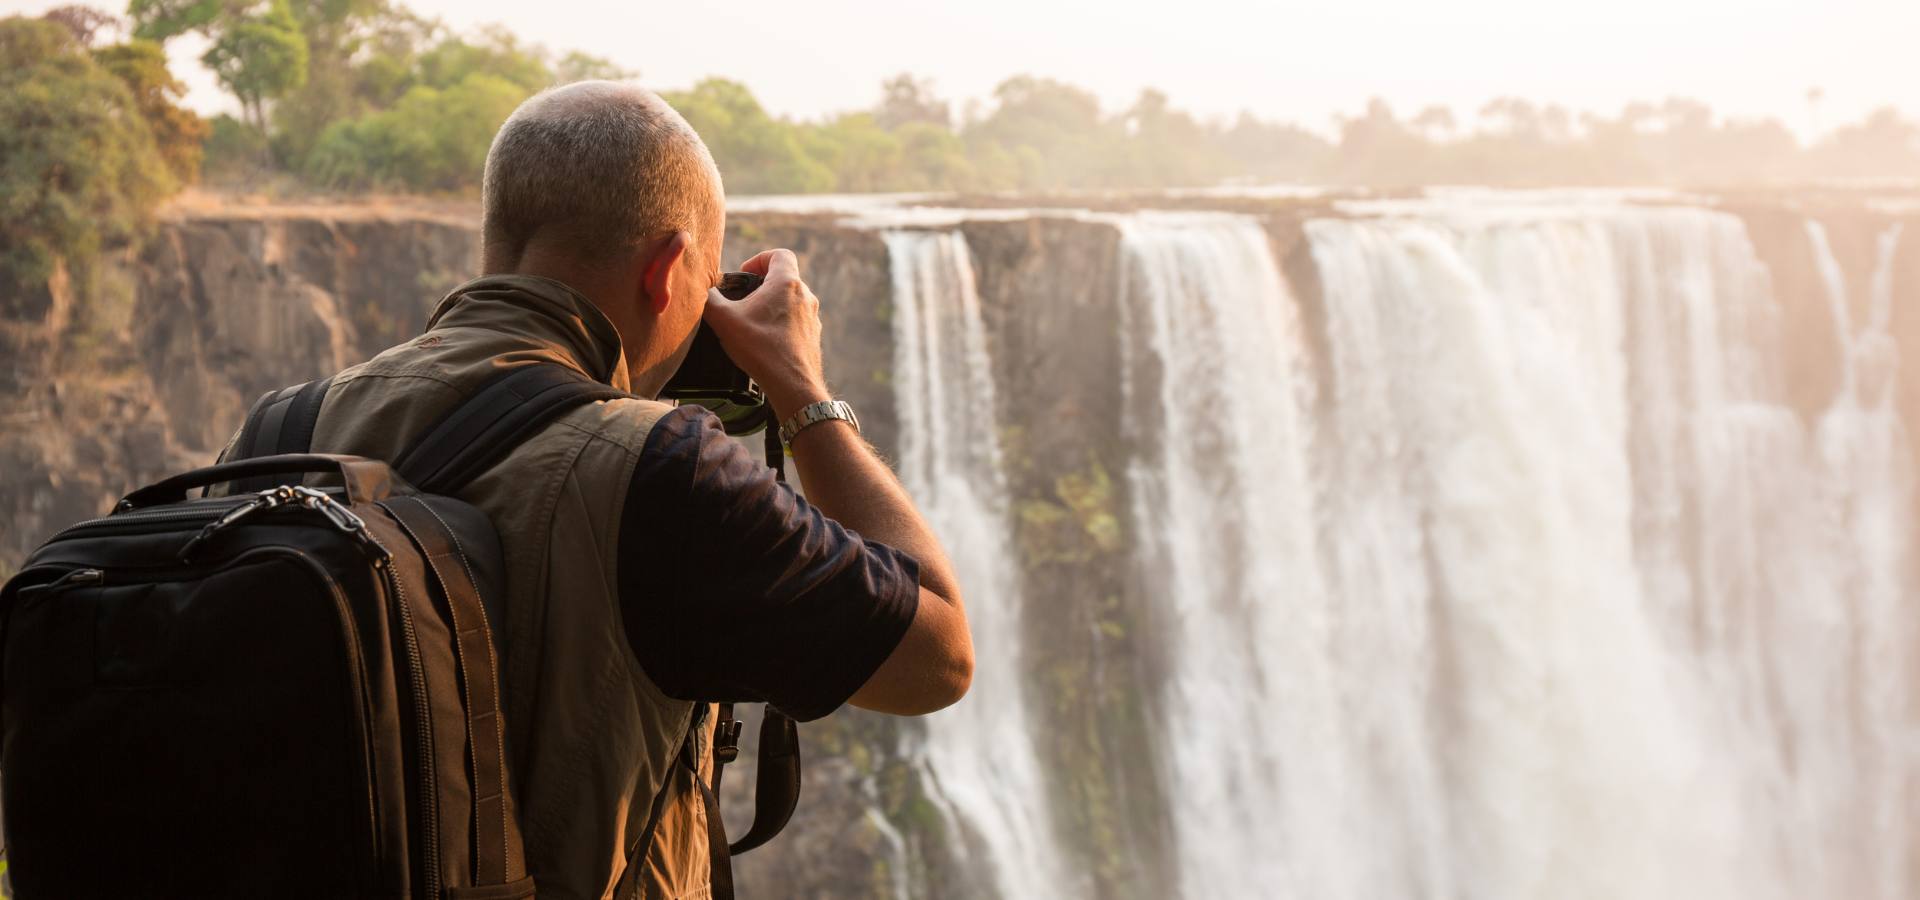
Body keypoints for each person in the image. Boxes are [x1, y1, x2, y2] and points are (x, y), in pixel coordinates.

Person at [285, 80, 975, 899]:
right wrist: (799, 386)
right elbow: (937, 660)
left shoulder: (281, 431)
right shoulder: (658, 471)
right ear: (669, 269)